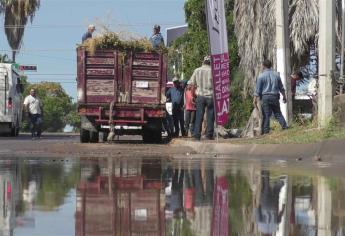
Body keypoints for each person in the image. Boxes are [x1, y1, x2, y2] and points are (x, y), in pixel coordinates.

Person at [253, 59, 288, 135]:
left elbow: (258, 90)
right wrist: (284, 96)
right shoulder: (276, 75)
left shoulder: (261, 76)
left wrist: (254, 99)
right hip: (275, 96)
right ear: (271, 65)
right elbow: (281, 87)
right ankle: (285, 127)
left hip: (265, 97)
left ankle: (266, 132)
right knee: (278, 113)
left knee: (266, 115)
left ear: (263, 66)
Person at [189, 56, 214, 140]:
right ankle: (209, 135)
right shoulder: (213, 71)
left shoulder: (197, 70)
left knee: (199, 116)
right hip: (211, 96)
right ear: (210, 62)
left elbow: (192, 85)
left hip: (200, 96)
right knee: (210, 116)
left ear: (203, 62)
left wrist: (193, 96)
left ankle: (197, 135)